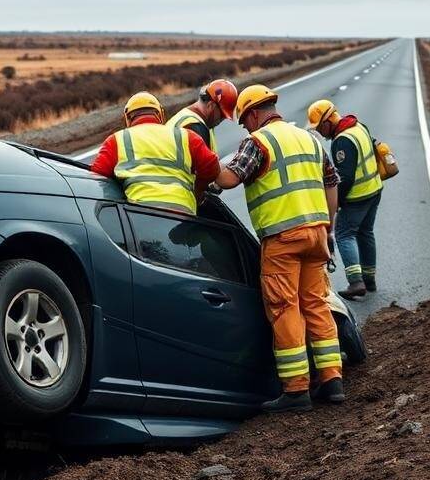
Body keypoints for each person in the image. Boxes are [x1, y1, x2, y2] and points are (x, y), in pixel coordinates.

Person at [215, 84, 343, 412]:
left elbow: (229, 179)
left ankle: (296, 389)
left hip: (283, 240)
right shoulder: (311, 140)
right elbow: (331, 185)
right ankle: (331, 380)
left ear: (254, 114)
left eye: (244, 121)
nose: (245, 127)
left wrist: (204, 164)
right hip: (316, 234)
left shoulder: (258, 142)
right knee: (316, 304)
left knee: (285, 308)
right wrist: (328, 229)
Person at [90, 91, 219, 215]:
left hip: (139, 215)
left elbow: (97, 180)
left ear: (127, 118)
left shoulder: (116, 140)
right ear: (160, 115)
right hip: (183, 215)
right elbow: (212, 167)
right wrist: (198, 191)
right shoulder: (185, 136)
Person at [307, 99, 382, 300]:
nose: (321, 133)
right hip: (374, 190)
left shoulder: (342, 141)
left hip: (357, 196)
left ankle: (356, 282)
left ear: (327, 122)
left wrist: (336, 203)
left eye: (320, 128)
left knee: (344, 234)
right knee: (366, 232)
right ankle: (369, 279)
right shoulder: (358, 126)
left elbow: (345, 177)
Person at [166, 79, 238, 154]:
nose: (222, 120)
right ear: (210, 105)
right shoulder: (195, 128)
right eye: (222, 115)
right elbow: (204, 165)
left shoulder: (186, 117)